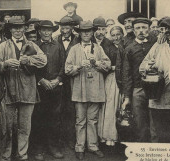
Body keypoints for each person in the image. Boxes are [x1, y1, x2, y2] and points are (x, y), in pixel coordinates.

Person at [0, 17, 47, 161]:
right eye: (14, 27)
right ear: (10, 29)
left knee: (25, 127)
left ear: (24, 29)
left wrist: (28, 60)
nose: (18, 30)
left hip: (28, 90)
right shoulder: (3, 46)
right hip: (9, 91)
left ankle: (22, 155)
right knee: (7, 127)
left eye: (20, 27)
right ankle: (6, 155)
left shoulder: (32, 45)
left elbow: (43, 61)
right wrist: (5, 63)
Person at [139, 15, 170, 143]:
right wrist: (148, 66)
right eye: (165, 28)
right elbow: (142, 68)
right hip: (158, 98)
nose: (167, 31)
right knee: (160, 135)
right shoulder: (159, 45)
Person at [65, 20, 111, 160]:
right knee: (80, 120)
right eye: (83, 31)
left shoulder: (98, 48)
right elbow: (67, 69)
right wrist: (78, 66)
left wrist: (96, 62)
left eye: (89, 31)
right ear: (79, 33)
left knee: (93, 120)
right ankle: (79, 146)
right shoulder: (74, 49)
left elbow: (108, 65)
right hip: (80, 89)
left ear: (92, 33)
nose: (86, 33)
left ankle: (92, 145)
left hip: (95, 89)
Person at [32, 20, 65, 161]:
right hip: (39, 88)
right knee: (39, 118)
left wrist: (57, 79)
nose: (46, 32)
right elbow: (29, 67)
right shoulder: (33, 46)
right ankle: (39, 148)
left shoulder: (58, 46)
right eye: (43, 30)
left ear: (52, 31)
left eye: (49, 30)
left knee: (54, 118)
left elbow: (64, 65)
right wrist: (41, 80)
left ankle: (53, 147)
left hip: (56, 87)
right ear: (39, 31)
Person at [122, 18, 157, 142]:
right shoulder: (129, 49)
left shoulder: (156, 45)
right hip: (137, 90)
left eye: (144, 27)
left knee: (155, 123)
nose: (141, 31)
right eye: (138, 28)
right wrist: (127, 96)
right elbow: (126, 74)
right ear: (134, 30)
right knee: (139, 123)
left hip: (155, 89)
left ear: (149, 29)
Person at [93, 17, 121, 146]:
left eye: (103, 29)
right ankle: (99, 136)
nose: (100, 32)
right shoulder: (92, 43)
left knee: (111, 105)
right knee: (99, 107)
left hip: (110, 77)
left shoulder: (109, 44)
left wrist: (112, 67)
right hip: (96, 79)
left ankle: (108, 135)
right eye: (98, 29)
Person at [54, 16, 79, 149]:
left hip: (73, 79)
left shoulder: (78, 39)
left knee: (71, 110)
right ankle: (59, 139)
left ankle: (70, 139)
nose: (65, 30)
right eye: (62, 27)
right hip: (58, 79)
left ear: (72, 28)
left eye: (67, 27)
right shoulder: (55, 39)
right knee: (58, 110)